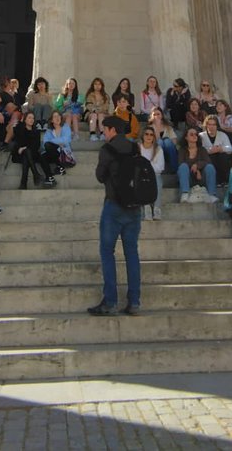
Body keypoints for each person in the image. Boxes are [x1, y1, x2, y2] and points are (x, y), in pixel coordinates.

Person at [89, 115, 141, 316]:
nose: (104, 132)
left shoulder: (107, 149)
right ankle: (134, 301)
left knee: (107, 252)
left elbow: (100, 176)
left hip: (114, 205)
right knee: (132, 253)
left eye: (105, 129)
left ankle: (110, 301)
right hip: (134, 206)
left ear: (111, 130)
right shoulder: (134, 147)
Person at [176, 126, 217, 203]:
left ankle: (212, 194)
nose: (194, 136)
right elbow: (181, 163)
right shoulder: (182, 150)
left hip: (201, 177)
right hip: (188, 178)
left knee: (210, 167)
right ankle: (185, 193)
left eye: (196, 134)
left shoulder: (202, 149)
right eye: (191, 134)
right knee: (183, 167)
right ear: (186, 137)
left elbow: (208, 161)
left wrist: (197, 165)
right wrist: (195, 169)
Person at [138, 126, 165, 221]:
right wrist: (149, 166)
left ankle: (157, 208)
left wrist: (146, 166)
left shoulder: (158, 149)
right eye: (146, 134)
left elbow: (160, 167)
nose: (149, 136)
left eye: (151, 134)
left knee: (157, 179)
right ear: (142, 135)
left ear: (154, 137)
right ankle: (147, 207)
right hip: (140, 176)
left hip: (154, 175)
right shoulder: (137, 148)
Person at [199, 114, 232, 186]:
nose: (211, 127)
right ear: (206, 125)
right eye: (209, 124)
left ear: (217, 126)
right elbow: (200, 150)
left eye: (214, 125)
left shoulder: (222, 135)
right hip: (208, 157)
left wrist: (221, 149)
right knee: (212, 158)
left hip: (221, 157)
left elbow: (230, 148)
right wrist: (210, 150)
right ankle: (215, 181)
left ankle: (224, 181)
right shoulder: (201, 136)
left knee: (223, 156)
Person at [14, 111, 46, 189]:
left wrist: (25, 148)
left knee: (27, 153)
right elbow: (18, 141)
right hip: (20, 154)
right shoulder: (20, 129)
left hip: (32, 153)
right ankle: (36, 174)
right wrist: (22, 148)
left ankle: (23, 183)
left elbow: (36, 146)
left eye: (33, 118)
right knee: (26, 154)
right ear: (25, 119)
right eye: (29, 118)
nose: (32, 119)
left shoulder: (36, 131)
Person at [40, 110, 70, 186]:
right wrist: (58, 143)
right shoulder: (49, 131)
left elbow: (66, 141)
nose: (57, 118)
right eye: (55, 116)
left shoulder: (65, 127)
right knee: (43, 155)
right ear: (52, 120)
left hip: (64, 154)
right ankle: (50, 178)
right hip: (54, 153)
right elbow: (44, 144)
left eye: (59, 116)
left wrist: (52, 141)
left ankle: (61, 166)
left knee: (49, 145)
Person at [146, 106, 178, 173]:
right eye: (154, 114)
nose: (156, 116)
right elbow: (150, 141)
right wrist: (156, 126)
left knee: (167, 141)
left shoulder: (168, 127)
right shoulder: (149, 128)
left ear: (162, 115)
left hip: (169, 150)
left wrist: (167, 143)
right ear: (151, 116)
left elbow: (174, 141)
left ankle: (174, 169)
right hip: (156, 151)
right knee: (160, 142)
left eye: (158, 114)